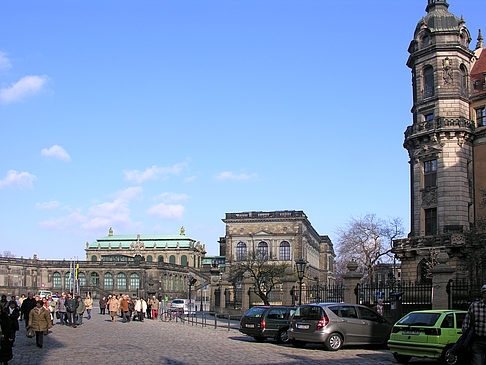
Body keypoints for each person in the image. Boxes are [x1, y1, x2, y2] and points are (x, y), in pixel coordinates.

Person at [463, 284, 486, 365]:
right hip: (477, 340)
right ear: (482, 294)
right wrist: (467, 336)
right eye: (485, 292)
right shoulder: (475, 306)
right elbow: (466, 323)